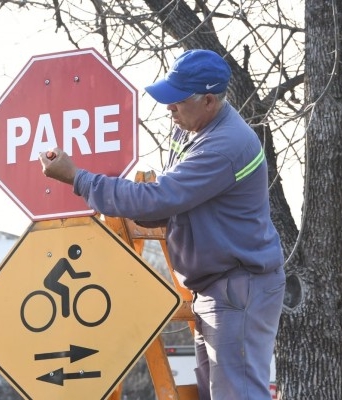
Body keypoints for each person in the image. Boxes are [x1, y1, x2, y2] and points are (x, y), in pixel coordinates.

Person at [39, 49, 285, 400]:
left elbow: (160, 197)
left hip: (238, 287)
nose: (169, 108)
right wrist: (141, 205)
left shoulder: (225, 145)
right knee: (214, 393)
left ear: (209, 101)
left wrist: (78, 178)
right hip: (218, 285)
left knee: (237, 394)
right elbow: (169, 202)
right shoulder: (190, 129)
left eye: (178, 100)